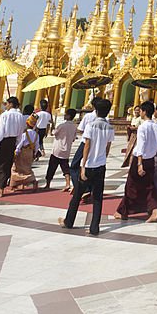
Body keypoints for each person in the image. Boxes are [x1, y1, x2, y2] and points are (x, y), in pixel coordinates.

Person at [59, 97, 114, 236]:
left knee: (77, 195)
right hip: (101, 165)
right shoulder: (109, 127)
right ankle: (94, 227)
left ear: (96, 110)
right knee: (98, 197)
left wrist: (83, 165)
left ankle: (69, 221)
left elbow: (87, 145)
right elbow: (108, 146)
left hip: (89, 165)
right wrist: (103, 158)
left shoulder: (91, 125)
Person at [114, 101, 157, 222]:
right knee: (149, 186)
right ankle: (154, 210)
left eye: (140, 110)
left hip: (140, 160)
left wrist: (139, 164)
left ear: (144, 112)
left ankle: (123, 211)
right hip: (151, 159)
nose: (139, 112)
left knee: (131, 186)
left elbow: (141, 146)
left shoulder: (143, 127)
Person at [45, 108, 78, 191]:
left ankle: (48, 184)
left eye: (66, 114)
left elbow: (54, 133)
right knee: (65, 168)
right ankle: (68, 183)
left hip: (57, 149)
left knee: (52, 167)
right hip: (66, 150)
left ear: (69, 116)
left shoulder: (62, 126)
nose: (64, 115)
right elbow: (74, 138)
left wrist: (53, 126)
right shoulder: (74, 127)